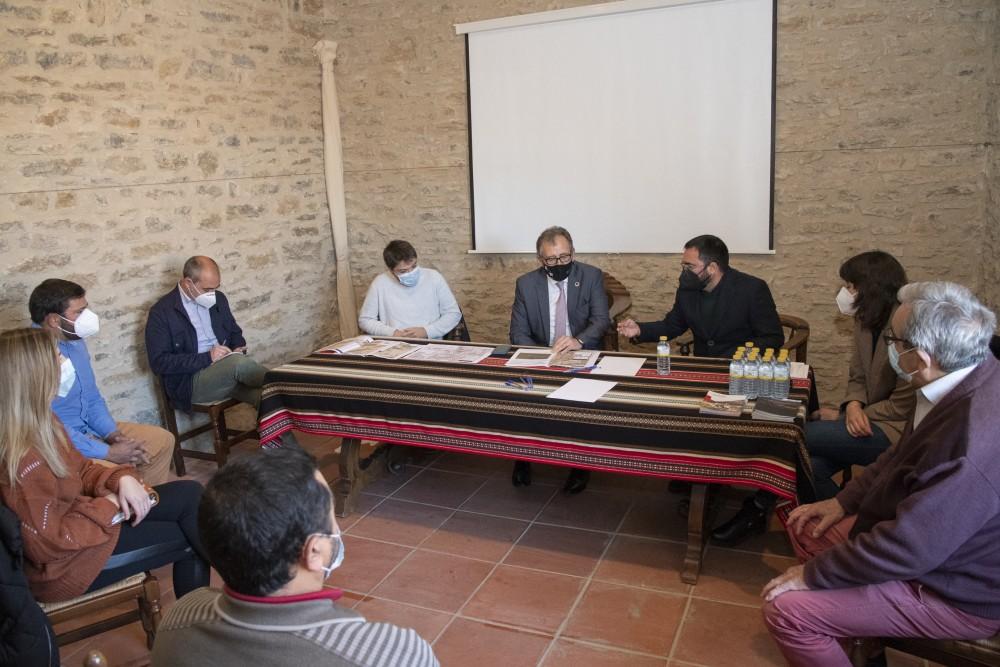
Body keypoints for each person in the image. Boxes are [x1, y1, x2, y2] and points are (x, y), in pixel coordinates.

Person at [761, 281, 1000, 667]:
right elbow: (898, 456)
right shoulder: (959, 376)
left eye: (894, 340)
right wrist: (842, 502)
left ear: (920, 357)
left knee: (786, 610)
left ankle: (843, 622)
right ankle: (861, 641)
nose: (890, 346)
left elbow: (910, 548)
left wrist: (813, 575)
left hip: (954, 590)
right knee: (807, 525)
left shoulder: (972, 439)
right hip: (923, 547)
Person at [151, 446, 439, 667]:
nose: (337, 531)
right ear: (314, 551)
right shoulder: (397, 656)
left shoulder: (178, 620)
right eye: (331, 520)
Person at [710, 251, 918, 545]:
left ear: (870, 287)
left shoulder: (905, 330)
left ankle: (756, 509)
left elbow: (902, 405)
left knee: (791, 436)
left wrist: (851, 415)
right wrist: (853, 405)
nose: (845, 292)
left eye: (851, 285)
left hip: (894, 430)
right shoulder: (865, 320)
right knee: (809, 466)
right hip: (865, 417)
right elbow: (858, 376)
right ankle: (851, 531)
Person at [0, 328, 209, 604]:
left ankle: (245, 589)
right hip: (65, 566)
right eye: (58, 357)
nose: (65, 363)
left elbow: (82, 469)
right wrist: (109, 505)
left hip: (85, 527)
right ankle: (219, 609)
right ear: (35, 375)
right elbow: (47, 544)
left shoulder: (44, 421)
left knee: (190, 493)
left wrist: (120, 479)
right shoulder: (21, 459)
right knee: (190, 538)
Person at [29, 279, 173, 485]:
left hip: (90, 430)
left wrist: (113, 435)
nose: (87, 317)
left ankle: (148, 500)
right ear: (53, 320)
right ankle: (127, 498)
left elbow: (92, 397)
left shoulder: (75, 341)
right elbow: (46, 426)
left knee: (161, 441)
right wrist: (107, 452)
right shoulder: (30, 356)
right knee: (118, 472)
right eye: (79, 312)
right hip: (61, 444)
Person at [145, 257, 296, 446]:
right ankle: (288, 386)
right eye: (207, 289)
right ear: (188, 283)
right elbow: (159, 362)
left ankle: (290, 453)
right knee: (238, 365)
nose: (212, 293)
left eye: (215, 288)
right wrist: (207, 357)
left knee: (267, 397)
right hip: (191, 382)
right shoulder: (162, 312)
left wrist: (237, 347)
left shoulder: (218, 299)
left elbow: (235, 333)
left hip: (226, 373)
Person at [508, 226, 610, 494]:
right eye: (551, 260)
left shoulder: (591, 276)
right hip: (543, 353)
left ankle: (579, 464)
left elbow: (601, 320)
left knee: (579, 400)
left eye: (564, 257)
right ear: (540, 259)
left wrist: (578, 341)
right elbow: (518, 332)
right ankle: (523, 457)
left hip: (580, 353)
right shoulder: (526, 283)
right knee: (521, 393)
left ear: (573, 253)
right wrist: (545, 357)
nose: (559, 263)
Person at [617, 234, 783, 357]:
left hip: (741, 369)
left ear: (712, 268)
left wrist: (737, 355)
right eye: (683, 266)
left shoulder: (751, 289)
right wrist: (639, 329)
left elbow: (772, 338)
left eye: (690, 267)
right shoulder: (688, 289)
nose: (685, 272)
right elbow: (672, 326)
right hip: (703, 366)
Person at [358, 240, 462, 339]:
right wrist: (393, 333)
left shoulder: (433, 277)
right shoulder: (380, 283)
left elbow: (453, 313)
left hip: (431, 343)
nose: (411, 273)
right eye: (403, 271)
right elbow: (366, 320)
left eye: (414, 266)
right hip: (394, 344)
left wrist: (426, 331)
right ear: (391, 270)